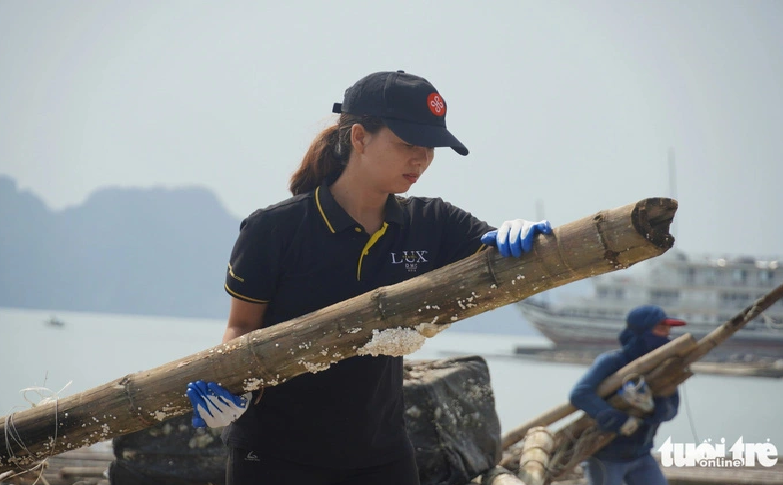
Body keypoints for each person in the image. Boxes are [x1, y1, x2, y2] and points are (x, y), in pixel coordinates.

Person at [185, 70, 552, 485]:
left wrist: (521, 239)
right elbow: (242, 327)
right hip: (273, 455)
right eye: (408, 143)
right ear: (359, 137)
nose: (422, 159)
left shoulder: (434, 223)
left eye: (430, 147)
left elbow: (500, 258)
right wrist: (234, 392)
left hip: (381, 457)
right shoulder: (274, 230)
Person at [569, 305, 686, 485]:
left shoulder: (662, 369)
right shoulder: (613, 362)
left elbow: (672, 409)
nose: (667, 335)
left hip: (641, 452)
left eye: (668, 330)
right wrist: (617, 420)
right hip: (605, 454)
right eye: (661, 329)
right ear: (643, 331)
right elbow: (580, 394)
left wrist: (657, 408)